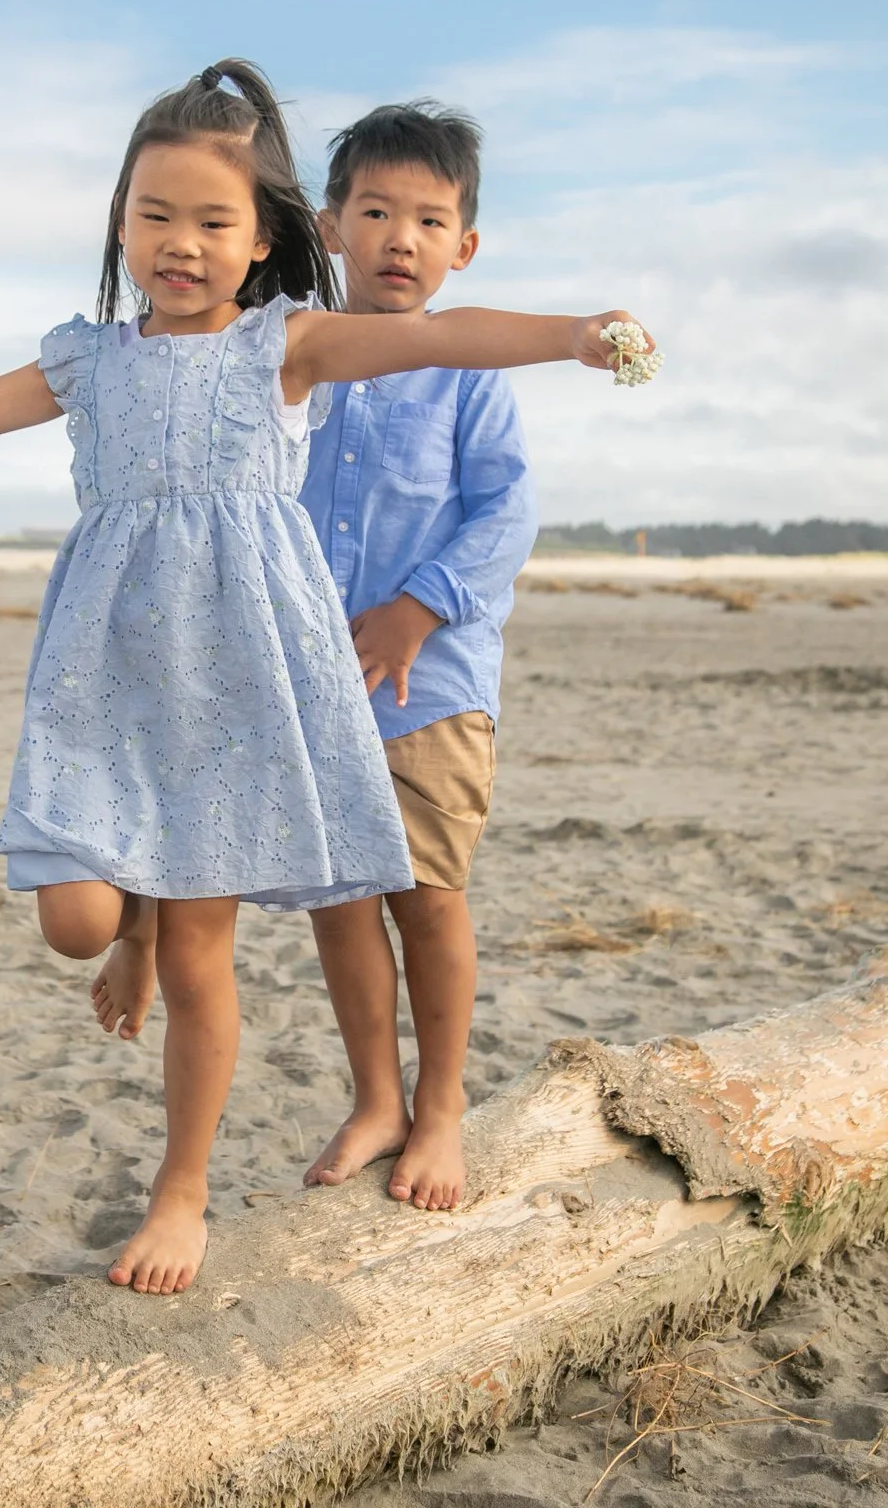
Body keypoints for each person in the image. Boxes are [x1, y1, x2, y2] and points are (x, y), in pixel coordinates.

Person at [0, 59, 651, 1296]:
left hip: (238, 687)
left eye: (211, 221)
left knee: (203, 956)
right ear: (120, 225)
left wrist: (572, 336)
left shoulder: (282, 348)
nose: (179, 243)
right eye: (155, 215)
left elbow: (447, 331)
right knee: (75, 915)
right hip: (106, 682)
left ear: (260, 245)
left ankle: (179, 1187)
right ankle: (124, 930)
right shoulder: (89, 363)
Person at [300, 102, 535, 1214]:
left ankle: (440, 1104)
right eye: (378, 210)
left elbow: (505, 511)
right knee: (339, 900)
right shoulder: (295, 357)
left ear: (462, 246)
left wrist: (418, 607)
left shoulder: (469, 371)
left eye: (428, 219)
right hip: (310, 687)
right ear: (330, 222)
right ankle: (374, 1096)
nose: (401, 236)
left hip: (429, 686)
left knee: (427, 894)